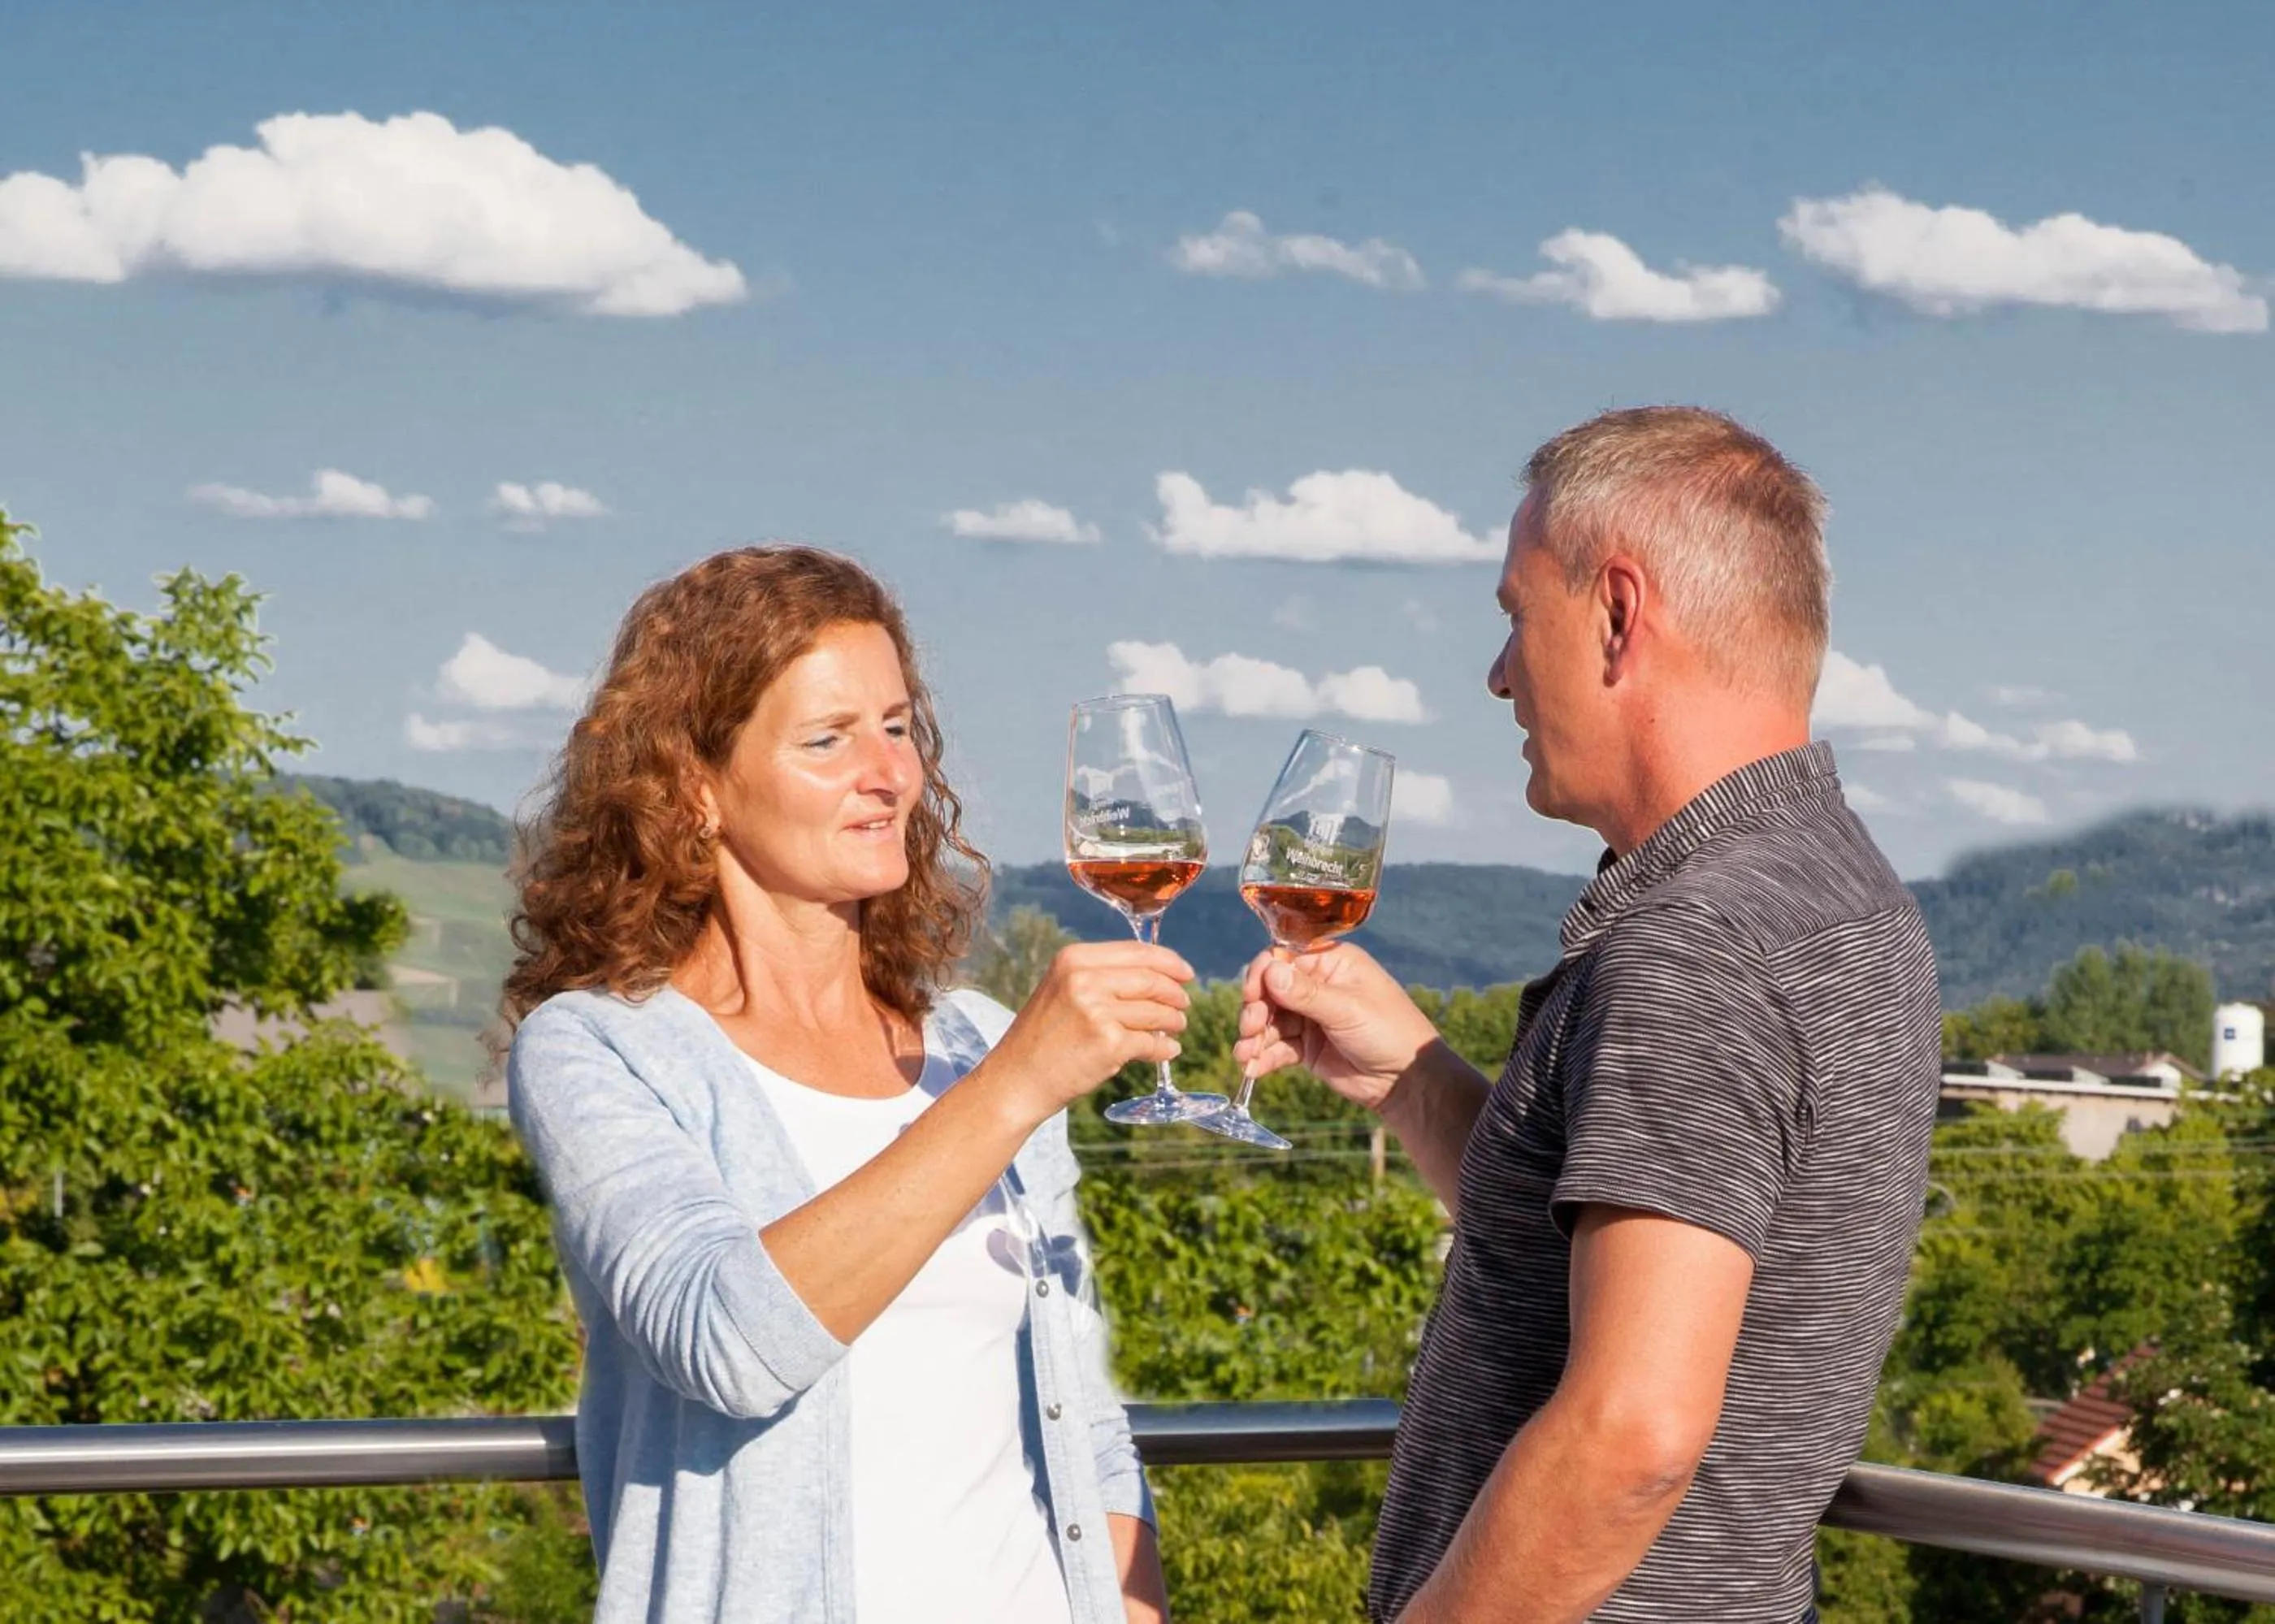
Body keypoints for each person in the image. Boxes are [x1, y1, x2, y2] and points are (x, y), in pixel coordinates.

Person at [1237, 407, 1941, 1622]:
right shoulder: (1840, 890)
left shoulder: (1695, 946)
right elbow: (1610, 1258)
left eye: (1517, 612)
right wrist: (1413, 1077)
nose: (1500, 671)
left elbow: (1635, 1431)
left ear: (1618, 612)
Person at [501, 545, 1183, 1624]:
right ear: (695, 789)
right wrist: (1014, 1089)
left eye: (899, 726)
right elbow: (724, 1340)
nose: (892, 775)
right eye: (830, 739)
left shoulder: (974, 1040)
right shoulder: (601, 1051)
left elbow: (1082, 1425)